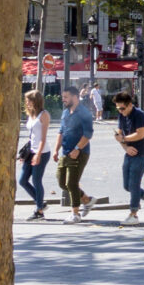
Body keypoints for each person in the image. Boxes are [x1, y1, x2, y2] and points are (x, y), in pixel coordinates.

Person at [114, 91, 144, 224]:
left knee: (134, 184)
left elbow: (140, 134)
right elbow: (119, 133)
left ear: (130, 105)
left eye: (122, 108)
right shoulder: (121, 115)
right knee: (127, 186)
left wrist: (123, 138)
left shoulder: (139, 115)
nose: (120, 111)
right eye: (118, 108)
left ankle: (133, 214)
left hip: (142, 154)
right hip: (129, 153)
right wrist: (125, 146)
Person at [56, 87, 95, 223]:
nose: (64, 100)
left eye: (66, 97)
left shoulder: (84, 113)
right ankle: (86, 199)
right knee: (62, 183)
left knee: (71, 183)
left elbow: (88, 134)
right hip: (65, 152)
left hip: (80, 152)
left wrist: (78, 148)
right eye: (63, 97)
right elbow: (61, 132)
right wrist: (56, 150)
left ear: (75, 97)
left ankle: (75, 214)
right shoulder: (66, 112)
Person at [19, 89, 52, 220]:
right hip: (31, 151)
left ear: (35, 101)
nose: (26, 103)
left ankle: (39, 211)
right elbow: (32, 136)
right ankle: (40, 202)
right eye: (26, 101)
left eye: (28, 100)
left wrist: (38, 154)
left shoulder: (43, 115)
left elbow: (43, 138)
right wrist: (25, 154)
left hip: (42, 152)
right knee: (22, 180)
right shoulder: (31, 114)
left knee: (36, 180)